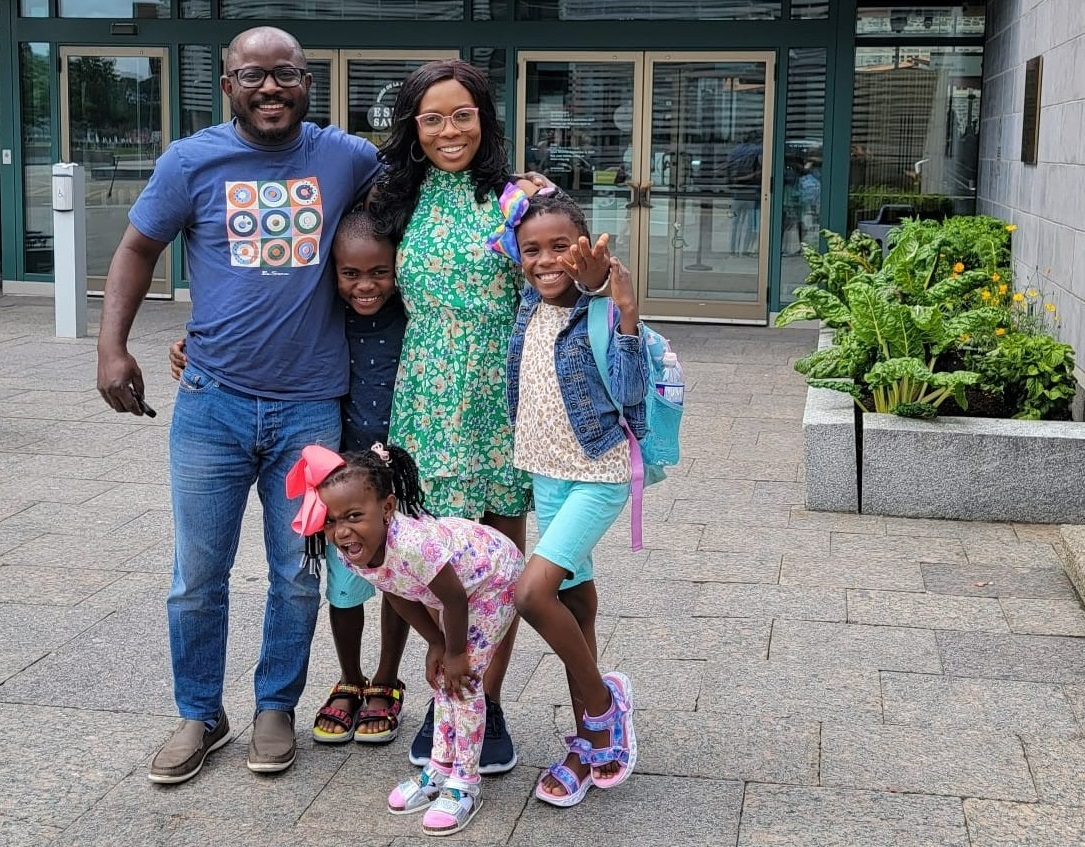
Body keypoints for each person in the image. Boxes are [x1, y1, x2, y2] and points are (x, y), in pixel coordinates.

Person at [95, 26, 383, 784]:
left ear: (306, 82)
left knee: (296, 569)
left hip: (309, 409)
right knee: (197, 572)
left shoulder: (345, 157)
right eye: (253, 75)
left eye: (284, 74)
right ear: (228, 85)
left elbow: (424, 192)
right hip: (211, 405)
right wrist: (111, 346)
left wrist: (530, 199)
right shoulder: (191, 160)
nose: (269, 88)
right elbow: (135, 248)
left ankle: (273, 706)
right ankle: (199, 713)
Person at [168, 209, 414, 746]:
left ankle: (383, 681)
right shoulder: (325, 304)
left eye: (380, 272)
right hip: (337, 462)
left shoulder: (413, 311)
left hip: (392, 462)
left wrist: (523, 188)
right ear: (332, 271)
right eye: (350, 273)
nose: (365, 284)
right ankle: (345, 681)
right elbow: (261, 314)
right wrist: (199, 348)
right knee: (335, 581)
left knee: (391, 577)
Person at [371, 57, 538, 773]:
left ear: (484, 119)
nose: (448, 130)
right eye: (433, 117)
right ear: (413, 126)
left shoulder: (515, 198)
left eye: (462, 115)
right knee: (427, 551)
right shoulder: (393, 200)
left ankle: (485, 701)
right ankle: (446, 690)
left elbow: (561, 277)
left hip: (500, 393)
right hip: (426, 392)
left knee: (497, 558)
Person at [288, 443, 524, 836]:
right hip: (460, 591)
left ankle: (465, 784)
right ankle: (439, 768)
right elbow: (395, 591)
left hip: (493, 579)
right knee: (445, 681)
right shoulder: (353, 551)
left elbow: (453, 597)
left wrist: (454, 651)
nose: (342, 530)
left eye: (353, 516)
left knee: (464, 682)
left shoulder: (413, 546)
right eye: (330, 521)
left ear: (387, 507)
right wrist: (434, 642)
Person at [501, 189, 643, 807]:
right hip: (546, 474)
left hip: (598, 474)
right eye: (532, 249)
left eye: (561, 246)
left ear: (585, 248)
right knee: (573, 603)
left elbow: (633, 388)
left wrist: (624, 308)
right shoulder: (528, 306)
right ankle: (590, 745)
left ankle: (605, 707)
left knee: (531, 593)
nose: (546, 260)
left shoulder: (598, 308)